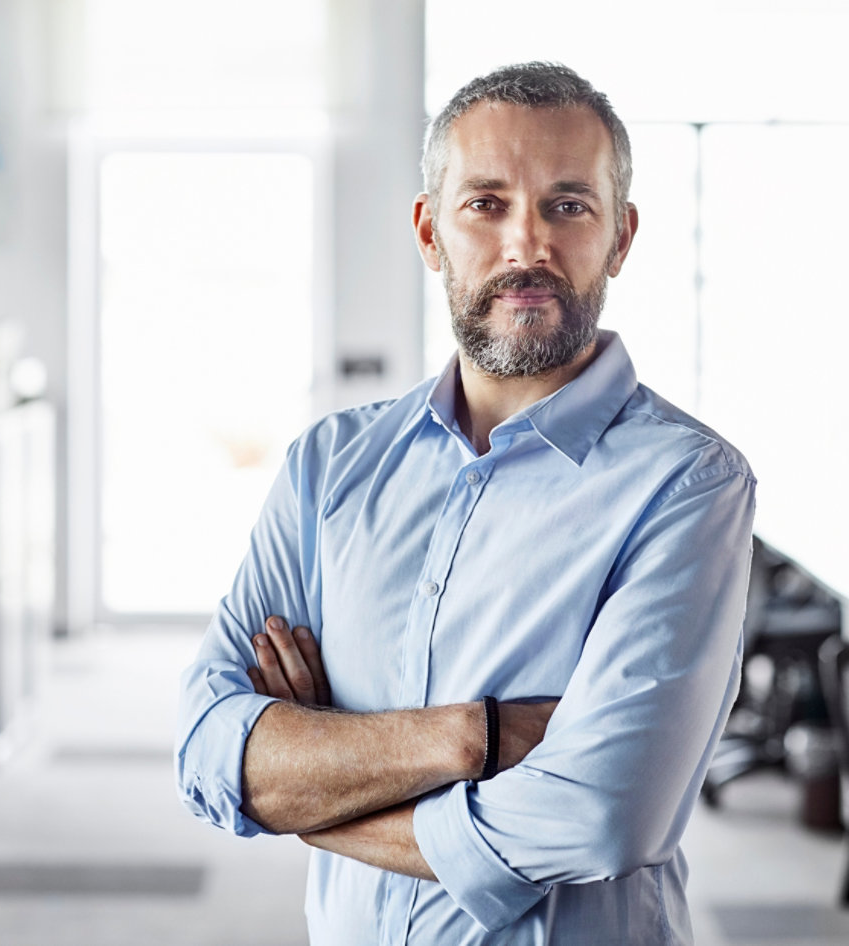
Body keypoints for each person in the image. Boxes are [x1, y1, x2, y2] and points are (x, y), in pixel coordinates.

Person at [174, 61, 756, 945]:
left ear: (622, 237)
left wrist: (315, 786)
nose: (528, 245)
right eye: (486, 204)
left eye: (569, 205)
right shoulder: (330, 468)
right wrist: (471, 738)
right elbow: (211, 749)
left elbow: (598, 817)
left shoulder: (687, 485)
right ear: (429, 230)